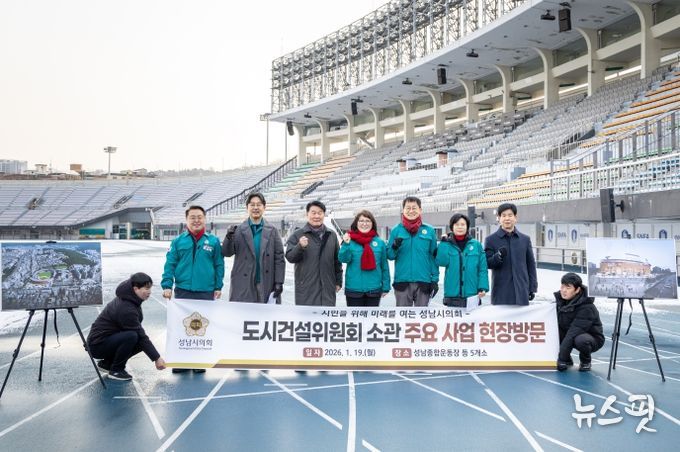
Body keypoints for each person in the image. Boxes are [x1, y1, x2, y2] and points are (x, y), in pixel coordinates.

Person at [161, 205, 224, 373]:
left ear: (205, 219)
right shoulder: (178, 242)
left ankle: (198, 361)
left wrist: (218, 286)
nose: (196, 220)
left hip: (205, 291)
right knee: (182, 326)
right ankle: (182, 362)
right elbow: (170, 264)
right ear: (186, 220)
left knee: (202, 328)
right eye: (192, 217)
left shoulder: (213, 241)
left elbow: (219, 265)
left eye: (199, 217)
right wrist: (167, 285)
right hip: (183, 290)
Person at [87, 273, 166, 381]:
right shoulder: (127, 308)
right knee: (133, 336)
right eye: (146, 288)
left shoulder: (129, 298)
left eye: (150, 288)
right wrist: (157, 358)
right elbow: (140, 335)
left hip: (105, 340)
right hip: (98, 345)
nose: (149, 292)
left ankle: (107, 364)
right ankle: (116, 370)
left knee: (138, 339)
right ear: (135, 289)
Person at [222, 192, 285, 303]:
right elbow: (227, 253)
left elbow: (279, 258)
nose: (255, 207)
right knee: (243, 312)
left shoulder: (273, 231)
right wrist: (228, 237)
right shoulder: (238, 230)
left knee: (265, 313)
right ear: (247, 207)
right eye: (252, 204)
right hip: (243, 283)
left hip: (266, 282)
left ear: (264, 207)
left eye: (259, 204)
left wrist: (279, 282)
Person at [285, 200, 342, 306]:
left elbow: (337, 261)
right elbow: (290, 257)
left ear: (324, 214)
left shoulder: (332, 235)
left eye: (320, 213)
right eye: (313, 213)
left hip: (327, 289)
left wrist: (338, 281)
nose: (316, 216)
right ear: (307, 214)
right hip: (306, 290)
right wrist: (300, 246)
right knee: (307, 316)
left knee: (326, 316)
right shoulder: (297, 234)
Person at [387, 196, 439, 307]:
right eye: (408, 208)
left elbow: (433, 257)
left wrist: (435, 280)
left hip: (424, 281)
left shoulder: (429, 230)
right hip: (402, 281)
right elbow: (390, 256)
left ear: (420, 210)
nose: (411, 211)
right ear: (403, 210)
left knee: (422, 316)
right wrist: (395, 246)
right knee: (402, 316)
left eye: (414, 208)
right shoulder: (396, 230)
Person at [484, 202, 537, 305]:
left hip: (521, 290)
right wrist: (498, 256)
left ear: (515, 217)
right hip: (501, 292)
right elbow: (487, 263)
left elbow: (531, 265)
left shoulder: (525, 239)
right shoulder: (490, 240)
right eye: (503, 215)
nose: (507, 218)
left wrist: (532, 287)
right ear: (499, 218)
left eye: (510, 215)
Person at [338, 210, 390, 307]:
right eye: (361, 221)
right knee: (354, 316)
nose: (364, 224)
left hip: (374, 289)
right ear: (356, 223)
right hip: (354, 290)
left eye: (367, 221)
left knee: (372, 316)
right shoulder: (349, 240)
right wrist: (346, 244)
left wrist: (386, 286)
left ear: (372, 224)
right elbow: (343, 259)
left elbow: (384, 266)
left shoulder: (380, 243)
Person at [436, 213, 488, 307]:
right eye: (457, 224)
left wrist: (482, 287)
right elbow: (441, 262)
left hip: (472, 294)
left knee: (473, 317)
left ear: (467, 226)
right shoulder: (446, 244)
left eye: (463, 224)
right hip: (452, 294)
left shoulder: (476, 245)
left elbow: (482, 268)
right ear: (452, 227)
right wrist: (443, 243)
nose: (460, 227)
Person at [555, 273, 604, 372]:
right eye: (562, 286)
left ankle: (585, 361)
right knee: (554, 330)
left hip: (591, 338)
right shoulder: (562, 301)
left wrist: (561, 359)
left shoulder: (587, 308)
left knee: (580, 340)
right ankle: (568, 359)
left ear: (577, 290)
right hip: (571, 332)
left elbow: (573, 332)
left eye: (568, 288)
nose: (564, 290)